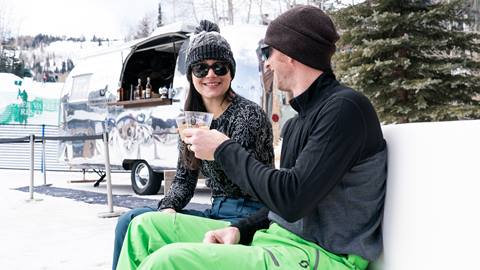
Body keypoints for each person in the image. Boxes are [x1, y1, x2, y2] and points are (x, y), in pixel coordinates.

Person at [117, 5, 387, 270]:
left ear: (291, 53)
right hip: (279, 237)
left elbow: (291, 200)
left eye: (268, 52)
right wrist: (240, 230)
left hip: (323, 254)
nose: (267, 63)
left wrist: (222, 148)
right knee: (144, 228)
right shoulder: (299, 121)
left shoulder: (345, 109)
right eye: (200, 69)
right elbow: (282, 207)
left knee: (168, 261)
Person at [112, 20, 274, 270]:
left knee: (141, 226)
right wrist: (169, 206)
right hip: (216, 209)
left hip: (248, 216)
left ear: (231, 72)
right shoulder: (191, 119)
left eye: (219, 67)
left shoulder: (248, 116)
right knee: (130, 220)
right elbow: (184, 179)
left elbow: (247, 180)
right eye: (201, 69)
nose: (211, 75)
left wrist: (215, 149)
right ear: (191, 75)